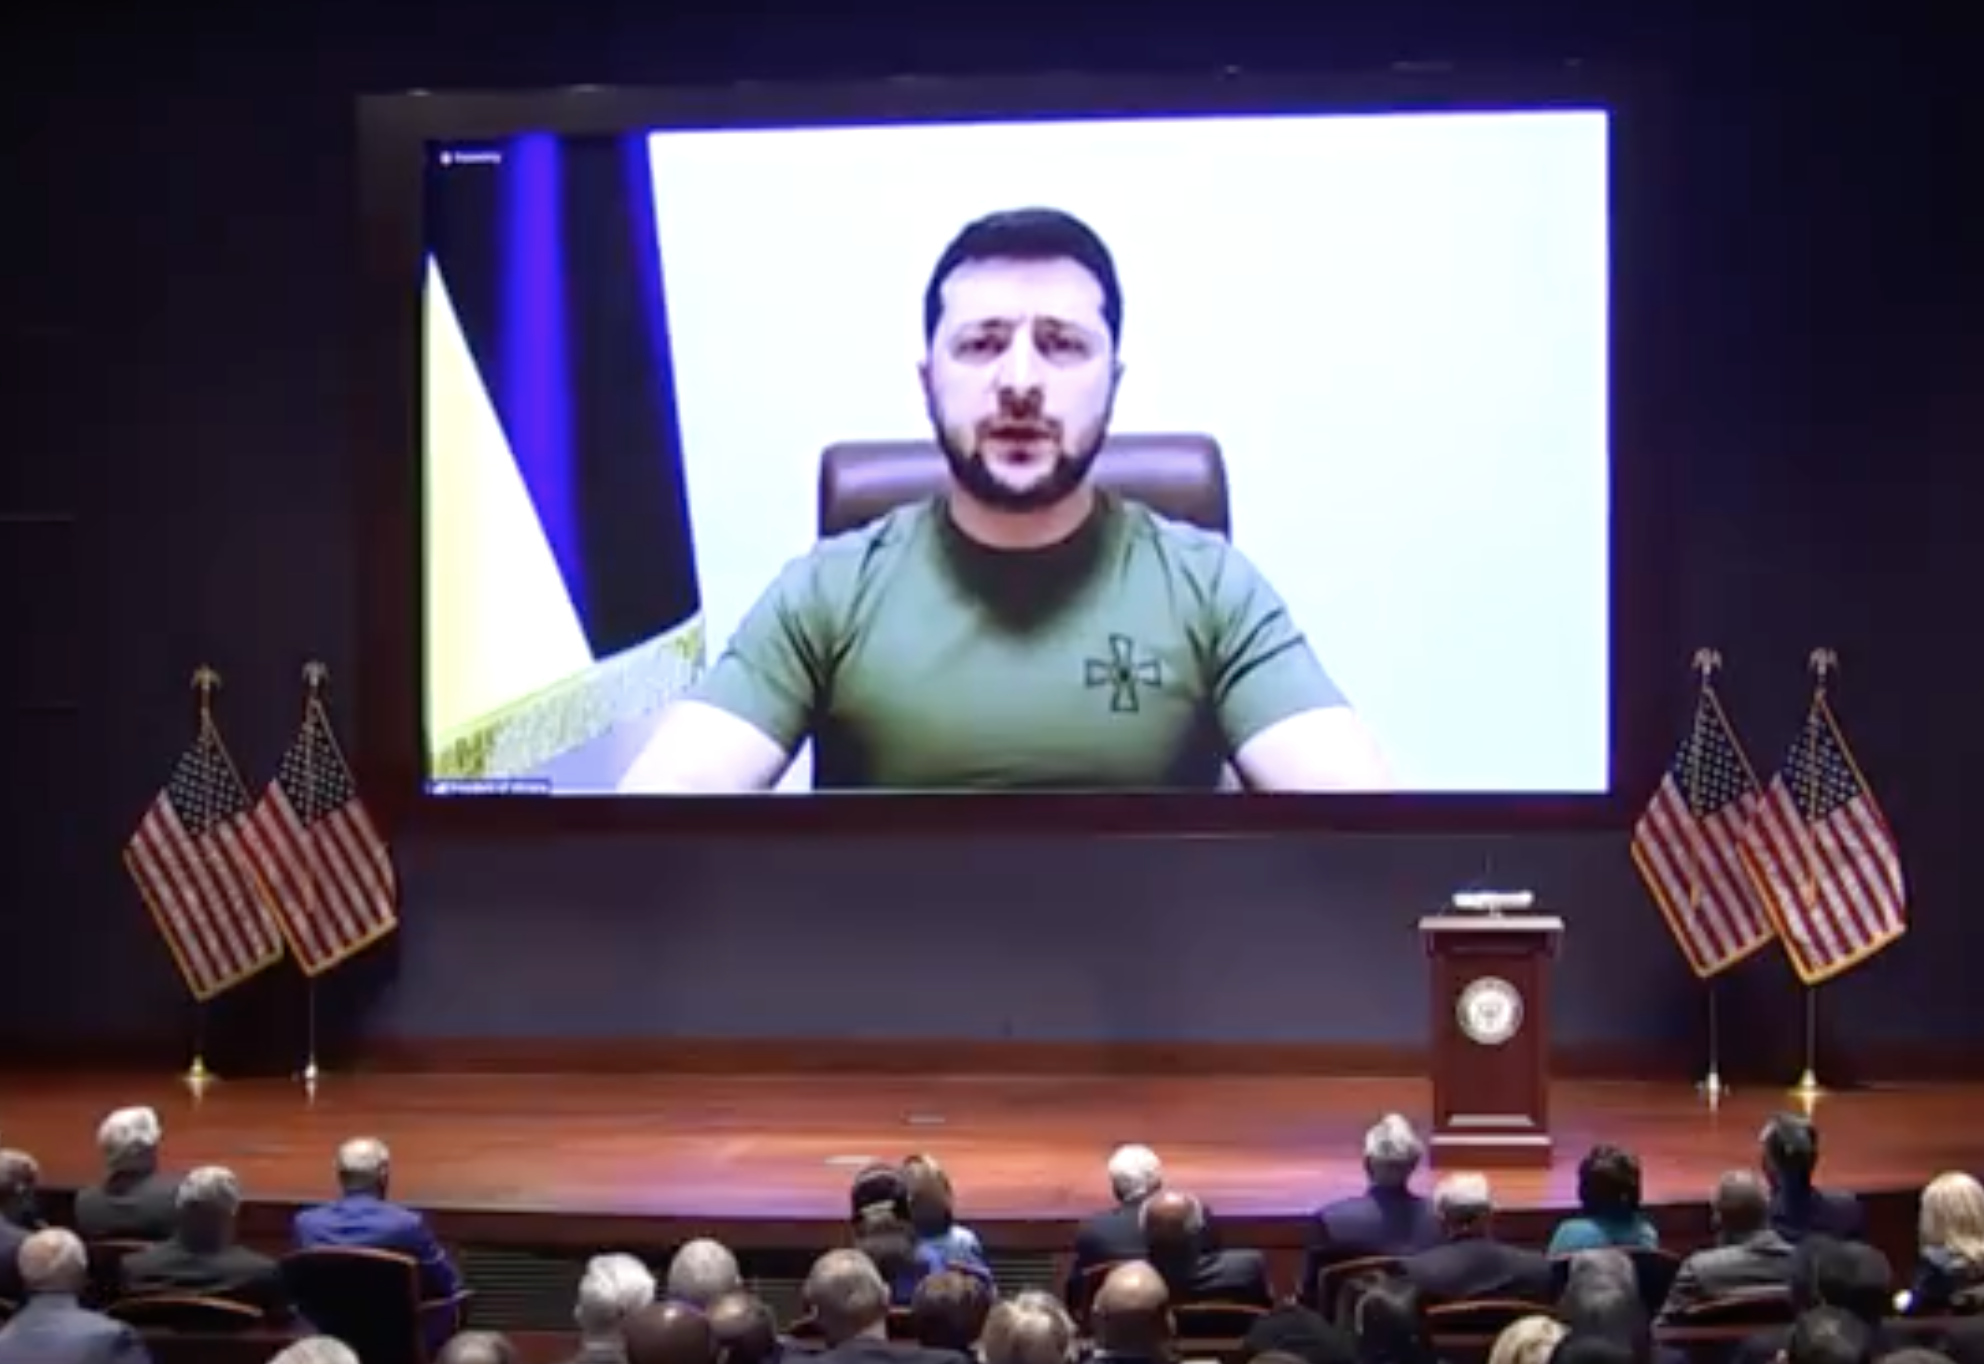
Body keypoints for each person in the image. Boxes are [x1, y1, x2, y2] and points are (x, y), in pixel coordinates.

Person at [619, 206, 1390, 794]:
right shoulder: (827, 592)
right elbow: (651, 824)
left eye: (1061, 344)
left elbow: (1373, 833)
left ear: (1112, 380)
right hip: (894, 989)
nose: (1019, 382)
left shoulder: (1211, 589)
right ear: (928, 380)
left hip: (1152, 992)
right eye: (982, 343)